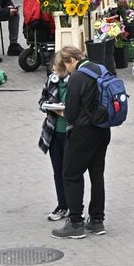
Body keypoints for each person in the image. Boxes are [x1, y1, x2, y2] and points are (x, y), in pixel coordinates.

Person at [52, 46, 111, 239]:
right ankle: (97, 221)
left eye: (65, 66)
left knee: (71, 174)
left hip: (83, 133)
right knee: (97, 174)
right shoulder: (100, 68)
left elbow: (71, 112)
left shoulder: (77, 77)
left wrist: (60, 111)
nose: (66, 71)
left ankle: (75, 222)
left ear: (70, 61)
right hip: (102, 129)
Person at [38, 50, 83, 223]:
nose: (53, 71)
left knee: (73, 173)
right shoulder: (51, 81)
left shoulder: (76, 82)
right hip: (53, 132)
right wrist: (47, 106)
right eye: (53, 69)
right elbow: (42, 100)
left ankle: (76, 208)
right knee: (58, 172)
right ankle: (62, 205)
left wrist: (65, 111)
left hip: (71, 133)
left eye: (57, 68)